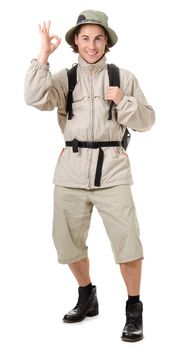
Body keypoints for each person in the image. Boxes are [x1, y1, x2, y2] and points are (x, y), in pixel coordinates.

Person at [24, 9, 155, 342]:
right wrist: (43, 56)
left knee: (128, 243)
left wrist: (123, 101)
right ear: (75, 42)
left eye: (98, 38)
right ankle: (87, 295)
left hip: (113, 171)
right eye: (85, 38)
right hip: (70, 171)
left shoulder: (123, 78)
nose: (92, 45)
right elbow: (34, 98)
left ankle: (133, 309)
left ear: (106, 41)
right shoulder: (64, 79)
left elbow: (147, 120)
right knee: (67, 242)